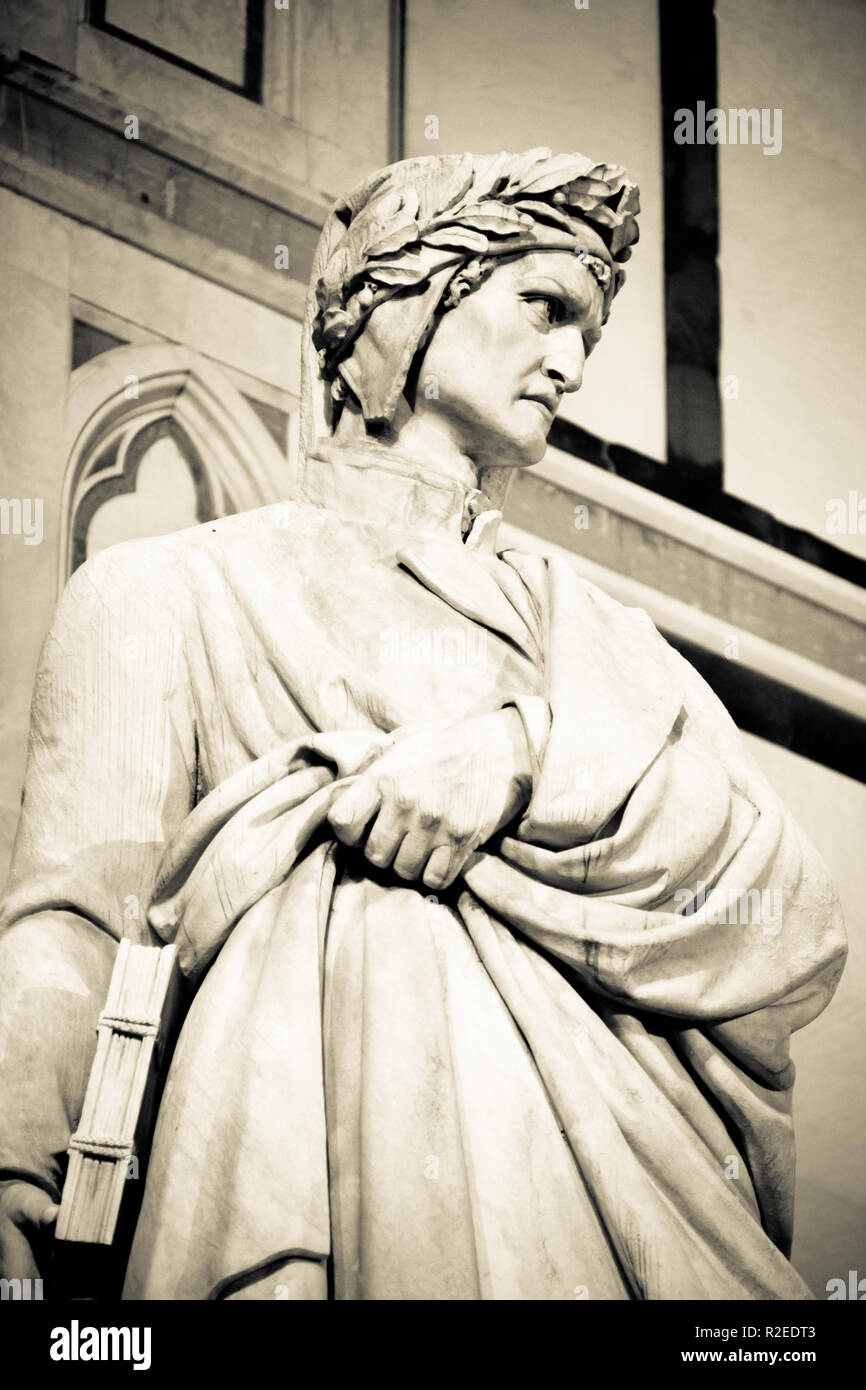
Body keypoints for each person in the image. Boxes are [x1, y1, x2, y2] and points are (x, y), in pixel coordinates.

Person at [0, 149, 846, 1300]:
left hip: (621, 1206)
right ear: (410, 299)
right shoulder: (173, 591)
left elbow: (789, 915)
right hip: (333, 1164)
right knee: (373, 920)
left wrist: (522, 758)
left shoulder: (602, 640)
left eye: (589, 336)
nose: (569, 363)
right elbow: (75, 924)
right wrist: (11, 1160)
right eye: (544, 307)